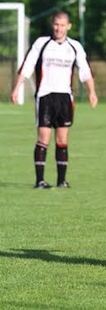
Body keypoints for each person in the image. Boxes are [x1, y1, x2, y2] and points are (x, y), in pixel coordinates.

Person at [11, 10, 98, 189]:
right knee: (43, 137)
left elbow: (85, 71)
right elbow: (27, 65)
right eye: (56, 25)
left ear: (69, 26)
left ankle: (61, 181)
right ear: (52, 25)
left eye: (62, 25)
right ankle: (40, 180)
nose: (58, 28)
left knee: (62, 139)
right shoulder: (42, 44)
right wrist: (17, 87)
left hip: (65, 97)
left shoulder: (74, 46)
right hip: (45, 96)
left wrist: (92, 92)